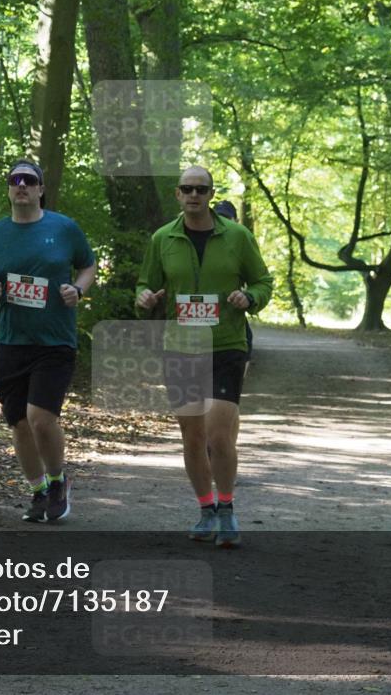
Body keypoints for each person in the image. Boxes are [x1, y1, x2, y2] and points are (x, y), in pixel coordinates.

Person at [136, 167, 273, 547]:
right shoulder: (163, 238)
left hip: (225, 344)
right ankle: (206, 510)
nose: (193, 195)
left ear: (211, 194)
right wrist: (145, 296)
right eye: (186, 189)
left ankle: (227, 510)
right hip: (180, 347)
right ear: (177, 194)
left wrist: (251, 298)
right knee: (193, 437)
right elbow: (146, 282)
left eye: (201, 189)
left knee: (218, 435)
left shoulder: (238, 237)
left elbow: (263, 281)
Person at [0, 160, 96, 523]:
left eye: (30, 180)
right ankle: (38, 490)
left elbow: (88, 266)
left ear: (41, 189)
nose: (22, 185)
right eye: (16, 180)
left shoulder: (64, 228)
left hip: (54, 340)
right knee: (19, 425)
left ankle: (58, 481)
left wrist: (78, 290)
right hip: (11, 341)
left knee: (40, 418)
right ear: (9, 189)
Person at [213, 201, 254, 363]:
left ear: (235, 220)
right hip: (194, 317)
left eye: (227, 218)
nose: (222, 222)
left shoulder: (242, 240)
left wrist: (249, 297)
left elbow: (259, 280)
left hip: (230, 311)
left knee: (245, 341)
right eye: (218, 217)